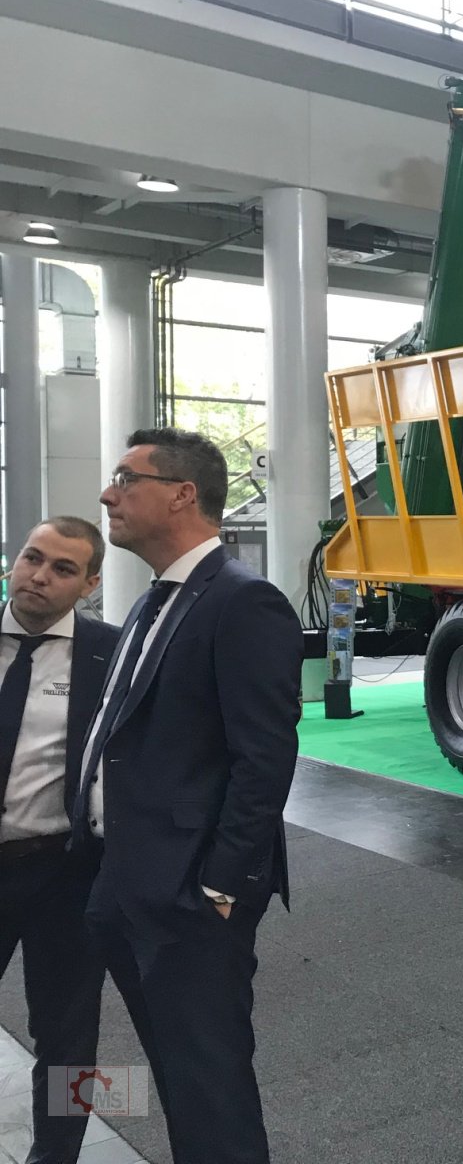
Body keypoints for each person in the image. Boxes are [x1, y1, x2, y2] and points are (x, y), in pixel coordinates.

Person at [73, 429, 301, 1164]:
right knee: (176, 1077)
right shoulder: (153, 602)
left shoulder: (244, 602)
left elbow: (263, 759)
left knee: (210, 1086)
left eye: (125, 478)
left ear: (182, 494)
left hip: (190, 902)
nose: (109, 493)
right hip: (128, 882)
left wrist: (221, 887)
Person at [0, 518, 117, 1164]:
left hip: (63, 874)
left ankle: (58, 1157)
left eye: (63, 569)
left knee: (69, 1038)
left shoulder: (111, 654)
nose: (39, 576)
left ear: (90, 584)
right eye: (32, 558)